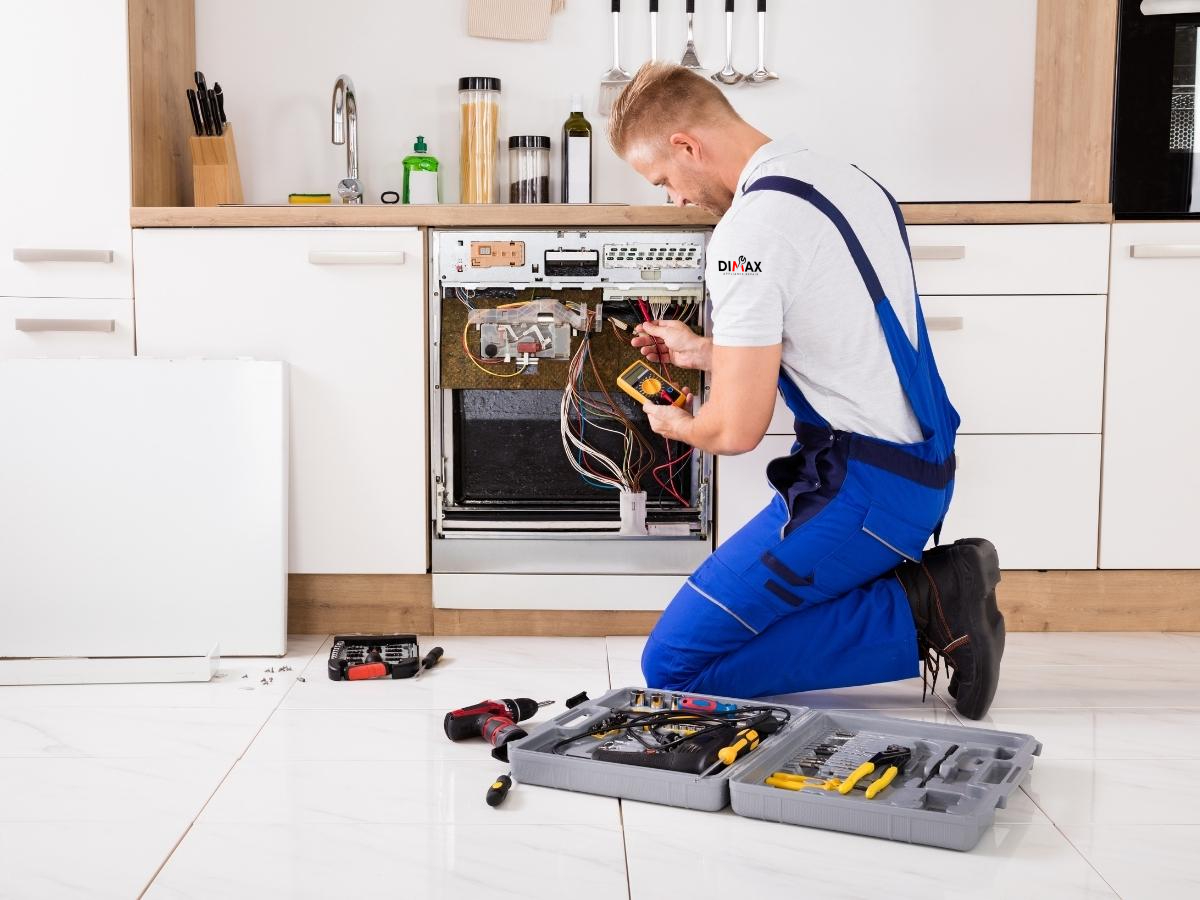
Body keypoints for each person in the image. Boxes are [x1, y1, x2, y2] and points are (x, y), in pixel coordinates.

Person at [608, 63, 1005, 720]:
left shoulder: (749, 233)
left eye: (664, 181)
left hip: (863, 493)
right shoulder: (846, 181)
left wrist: (670, 424)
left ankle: (927, 603)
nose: (673, 199)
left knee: (674, 664)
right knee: (728, 629)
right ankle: (923, 596)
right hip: (921, 468)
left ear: (685, 146)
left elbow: (734, 432)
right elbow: (842, 339)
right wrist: (707, 353)